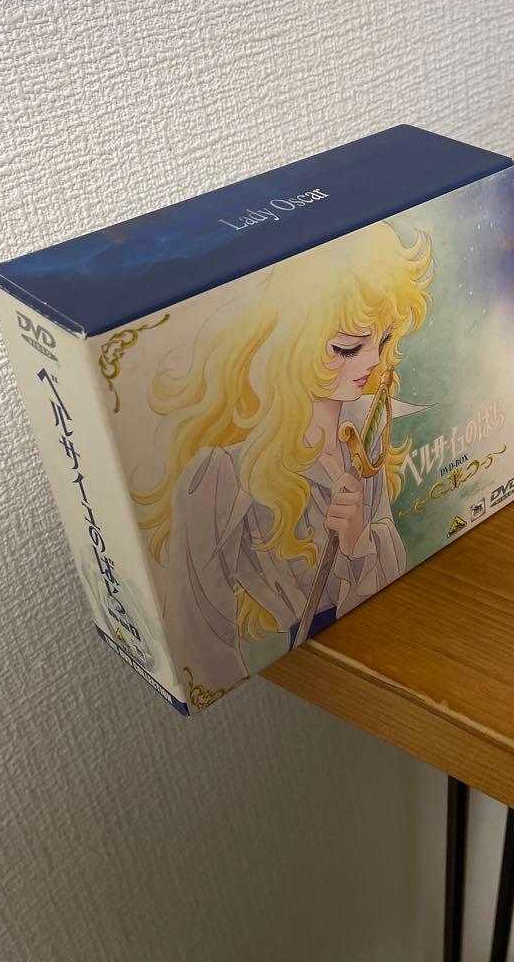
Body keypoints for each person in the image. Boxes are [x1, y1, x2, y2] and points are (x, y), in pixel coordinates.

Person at [133, 222, 432, 699]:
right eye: (347, 347)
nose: (372, 361)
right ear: (291, 346)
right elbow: (199, 639)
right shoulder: (222, 473)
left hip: (387, 642)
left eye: (383, 340)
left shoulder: (365, 432)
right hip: (307, 670)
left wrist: (358, 542)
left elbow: (391, 567)